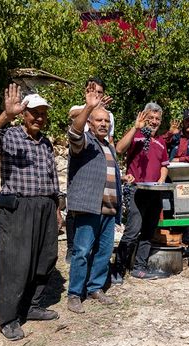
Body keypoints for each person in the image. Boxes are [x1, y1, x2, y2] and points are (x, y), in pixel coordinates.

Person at [0, 84, 61, 341]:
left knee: (44, 259)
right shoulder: (10, 135)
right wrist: (6, 115)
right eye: (34, 112)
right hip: (18, 208)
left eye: (43, 113)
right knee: (14, 264)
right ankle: (9, 318)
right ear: (24, 114)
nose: (38, 117)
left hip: (45, 207)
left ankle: (32, 306)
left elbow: (53, 178)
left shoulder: (46, 143)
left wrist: (57, 208)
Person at [66, 82, 127, 314]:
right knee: (82, 251)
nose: (103, 124)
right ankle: (74, 294)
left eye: (106, 121)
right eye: (99, 120)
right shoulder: (84, 142)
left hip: (109, 209)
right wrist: (88, 108)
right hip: (89, 207)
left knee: (103, 251)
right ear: (90, 124)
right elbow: (73, 132)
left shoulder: (107, 146)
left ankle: (95, 288)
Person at [114, 103, 170, 280]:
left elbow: (164, 165)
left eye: (157, 119)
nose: (154, 122)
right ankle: (118, 269)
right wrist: (134, 127)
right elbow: (119, 149)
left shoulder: (161, 141)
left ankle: (139, 267)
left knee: (148, 231)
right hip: (136, 191)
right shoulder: (136, 135)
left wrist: (161, 179)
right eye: (151, 118)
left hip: (154, 192)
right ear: (144, 118)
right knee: (132, 231)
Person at [65, 78, 114, 265]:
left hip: (100, 154)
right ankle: (72, 248)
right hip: (82, 150)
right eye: (92, 90)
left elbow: (110, 138)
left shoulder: (108, 115)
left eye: (100, 92)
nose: (97, 94)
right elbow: (73, 119)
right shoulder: (81, 108)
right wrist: (91, 107)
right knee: (77, 203)